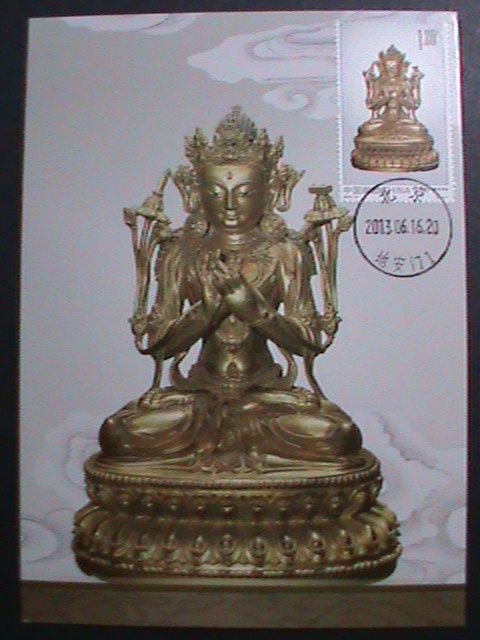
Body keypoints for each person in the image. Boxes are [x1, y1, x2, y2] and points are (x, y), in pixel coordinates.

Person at [99, 107, 362, 473]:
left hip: (265, 399)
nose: (229, 204)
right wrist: (206, 313)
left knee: (338, 435)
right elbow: (156, 343)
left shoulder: (285, 252)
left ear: (270, 193)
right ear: (196, 195)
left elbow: (308, 341)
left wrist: (255, 311)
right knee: (118, 433)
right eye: (216, 192)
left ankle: (232, 443)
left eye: (244, 193)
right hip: (199, 397)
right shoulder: (181, 252)